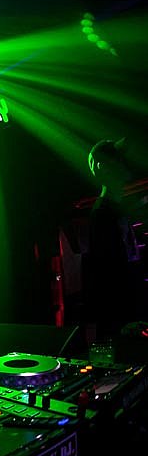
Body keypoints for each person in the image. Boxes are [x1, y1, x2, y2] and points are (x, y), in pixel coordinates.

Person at [80, 137, 147, 345]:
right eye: (116, 159)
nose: (124, 164)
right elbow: (105, 274)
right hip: (121, 326)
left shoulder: (114, 210)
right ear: (103, 167)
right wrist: (121, 323)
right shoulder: (102, 215)